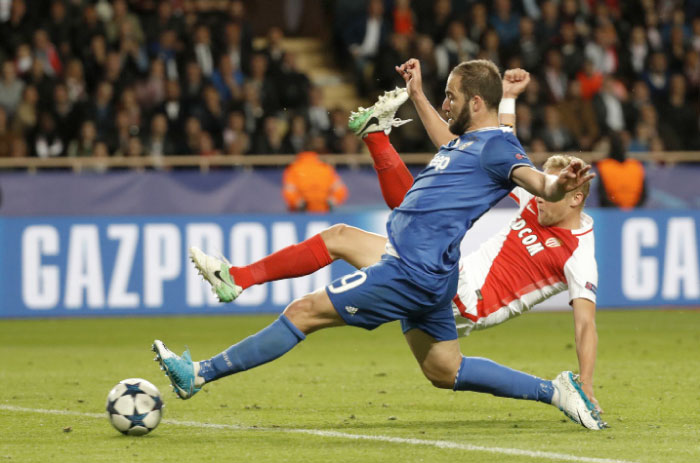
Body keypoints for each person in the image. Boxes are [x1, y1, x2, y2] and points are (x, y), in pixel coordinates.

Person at [153, 58, 603, 430]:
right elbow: (476, 135)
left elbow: (537, 182)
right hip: (435, 274)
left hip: (412, 271)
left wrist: (557, 183)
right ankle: (553, 390)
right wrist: (421, 94)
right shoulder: (468, 144)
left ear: (476, 103)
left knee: (303, 312)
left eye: (453, 96)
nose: (447, 103)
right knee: (444, 370)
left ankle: (198, 374)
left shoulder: (498, 151)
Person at [282, 150, 348, 213]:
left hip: (303, 212)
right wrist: (332, 201)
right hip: (324, 211)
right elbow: (340, 189)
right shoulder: (326, 168)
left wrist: (299, 203)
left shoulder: (293, 169)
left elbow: (289, 191)